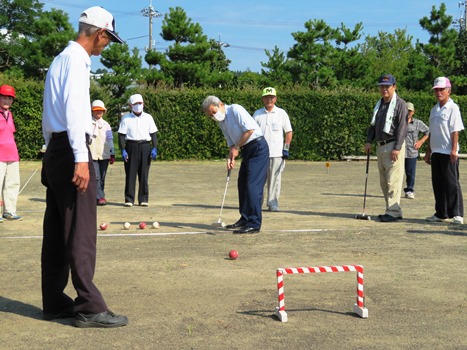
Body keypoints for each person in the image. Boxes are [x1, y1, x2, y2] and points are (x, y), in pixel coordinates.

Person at [41, 6, 128, 328]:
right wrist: (81, 158)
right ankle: (90, 305)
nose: (106, 46)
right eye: (108, 40)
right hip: (72, 150)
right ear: (100, 33)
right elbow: (77, 113)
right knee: (81, 230)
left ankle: (53, 301)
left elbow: (49, 111)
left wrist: (49, 152)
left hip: (56, 148)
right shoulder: (78, 61)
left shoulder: (59, 59)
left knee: (56, 231)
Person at [202, 95, 269, 234]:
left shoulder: (235, 109)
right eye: (210, 116)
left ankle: (254, 223)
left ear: (220, 104)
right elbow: (231, 143)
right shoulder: (222, 122)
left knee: (252, 186)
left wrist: (236, 147)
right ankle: (245, 218)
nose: (214, 117)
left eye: (214, 112)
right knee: (242, 184)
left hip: (258, 147)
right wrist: (230, 157)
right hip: (246, 150)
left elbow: (249, 130)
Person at [364, 74, 408, 222]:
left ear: (394, 87)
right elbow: (373, 124)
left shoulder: (400, 104)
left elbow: (402, 126)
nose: (384, 89)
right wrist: (369, 140)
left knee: (393, 180)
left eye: (387, 86)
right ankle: (390, 208)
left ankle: (394, 211)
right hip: (380, 145)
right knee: (384, 181)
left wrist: (397, 147)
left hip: (393, 145)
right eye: (382, 86)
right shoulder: (379, 104)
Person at [424, 77, 464, 225]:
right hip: (436, 152)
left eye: (441, 89)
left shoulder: (453, 108)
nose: (439, 92)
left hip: (448, 152)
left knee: (452, 183)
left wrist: (454, 150)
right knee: (438, 183)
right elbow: (431, 132)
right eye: (436, 90)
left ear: (448, 90)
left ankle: (457, 213)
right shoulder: (434, 110)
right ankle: (441, 213)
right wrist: (428, 151)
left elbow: (455, 130)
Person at [253, 87, 293, 212]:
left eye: (271, 97)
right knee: (259, 180)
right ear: (262, 99)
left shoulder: (281, 113)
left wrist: (286, 148)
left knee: (274, 180)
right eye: (266, 97)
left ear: (275, 98)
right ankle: (257, 204)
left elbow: (288, 132)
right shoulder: (257, 114)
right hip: (260, 153)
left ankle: (272, 203)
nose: (268, 99)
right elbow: (252, 132)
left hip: (276, 153)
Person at [118, 94, 158, 207]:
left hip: (145, 146)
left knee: (144, 173)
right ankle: (129, 199)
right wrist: (122, 150)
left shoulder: (148, 117)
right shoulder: (125, 118)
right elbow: (121, 135)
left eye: (140, 103)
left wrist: (154, 147)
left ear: (143, 104)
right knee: (130, 173)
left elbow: (153, 134)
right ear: (131, 105)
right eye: (136, 104)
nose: (138, 106)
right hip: (131, 146)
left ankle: (143, 198)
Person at [0, 84, 22, 222]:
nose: (7, 101)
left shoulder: (10, 114)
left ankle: (9, 211)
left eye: (9, 98)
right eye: (3, 98)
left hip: (12, 153)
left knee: (13, 183)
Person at [90, 100, 115, 206]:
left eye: (100, 110)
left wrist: (112, 152)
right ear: (92, 111)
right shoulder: (87, 123)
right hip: (92, 153)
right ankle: (100, 197)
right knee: (96, 176)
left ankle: (98, 195)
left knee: (102, 177)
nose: (98, 112)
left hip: (104, 154)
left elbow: (110, 139)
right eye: (96, 110)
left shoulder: (106, 125)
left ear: (103, 112)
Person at [404, 102, 429, 199]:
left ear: (413, 112)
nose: (407, 112)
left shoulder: (418, 123)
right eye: (406, 110)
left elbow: (428, 131)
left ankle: (410, 190)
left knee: (410, 173)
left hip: (411, 152)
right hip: (399, 151)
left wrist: (421, 142)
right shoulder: (398, 122)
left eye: (409, 110)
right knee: (396, 173)